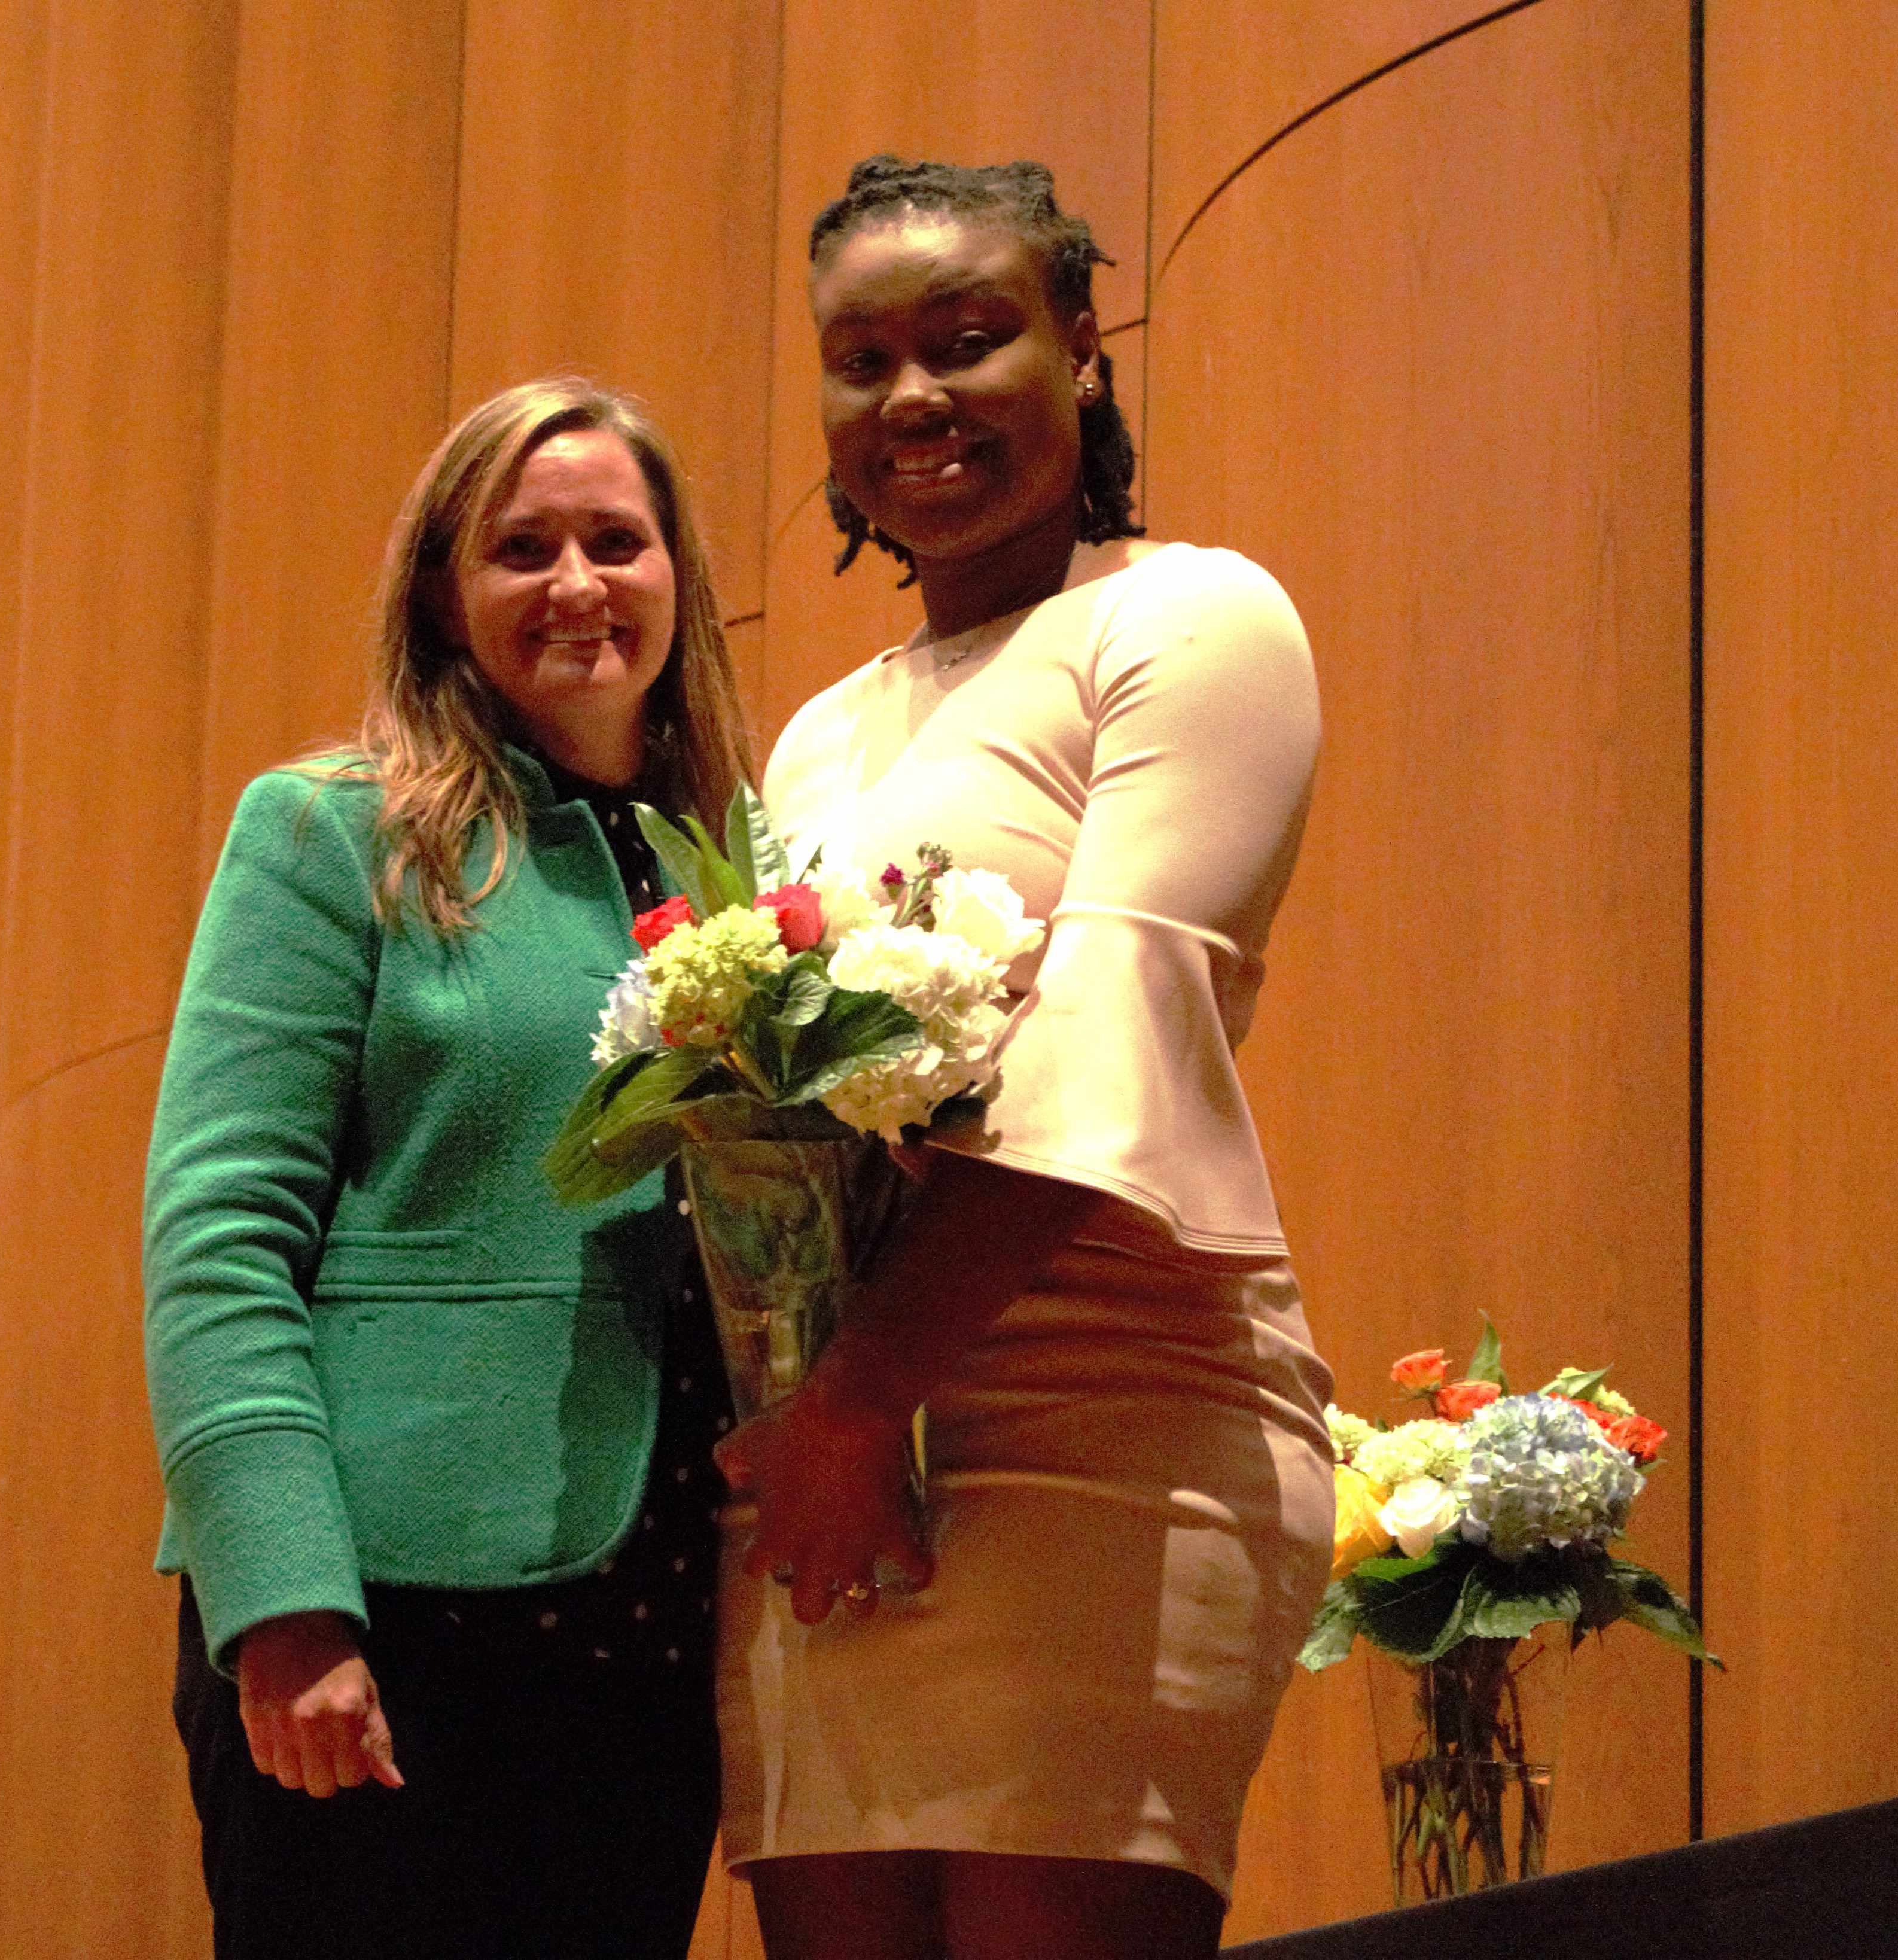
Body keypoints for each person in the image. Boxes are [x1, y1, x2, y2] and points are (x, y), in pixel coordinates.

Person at [711, 157, 1338, 1959]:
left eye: (971, 339)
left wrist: (840, 1410)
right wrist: (816, 1409)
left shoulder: (1191, 618)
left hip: (1107, 1423)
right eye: (863, 358)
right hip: (842, 1454)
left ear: (1083, 350)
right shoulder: (821, 735)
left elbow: (1112, 1038)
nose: (913, 397)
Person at [144, 377, 754, 1959]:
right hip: (388, 1622)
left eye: (616, 541)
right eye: (521, 547)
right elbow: (218, 1235)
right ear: (441, 589)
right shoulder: (333, 831)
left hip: (652, 1628)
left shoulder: (750, 862)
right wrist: (282, 1599)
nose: (576, 584)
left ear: (677, 572)